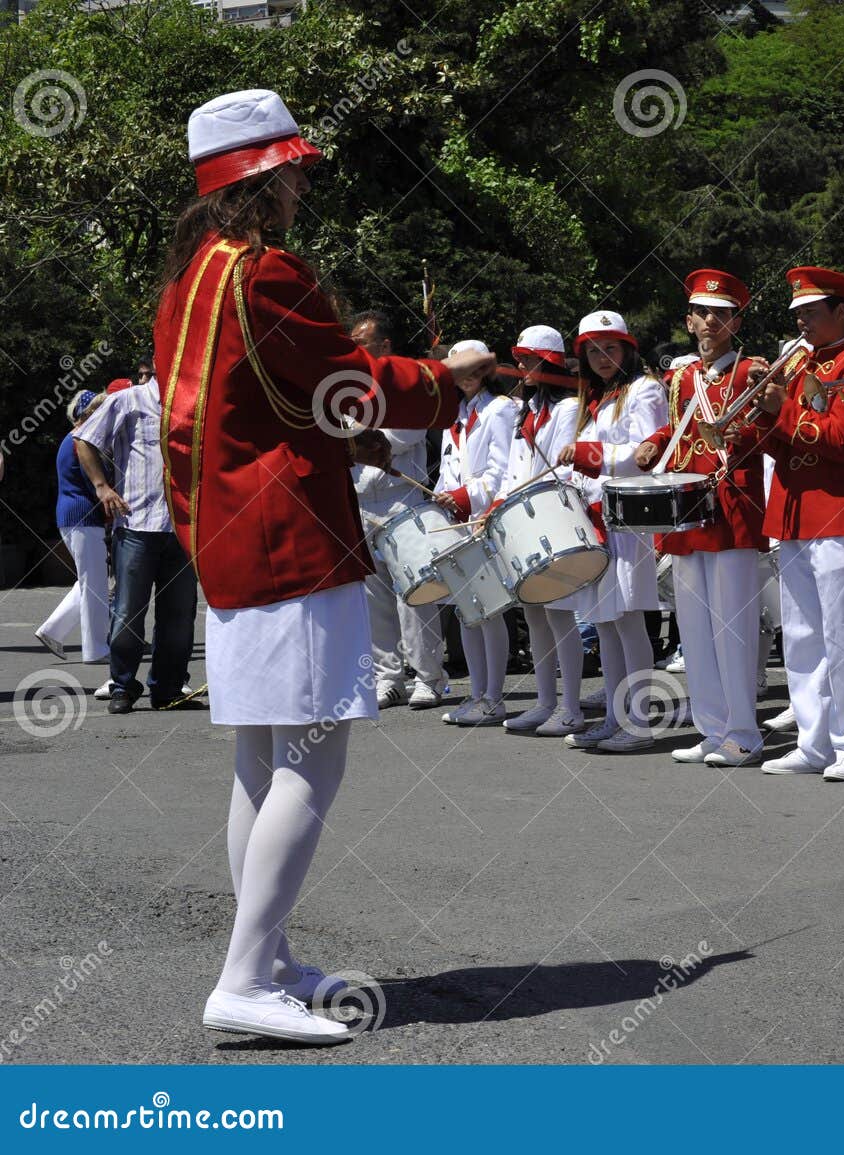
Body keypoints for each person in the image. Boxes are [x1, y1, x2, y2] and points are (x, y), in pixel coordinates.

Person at [156, 87, 489, 1042]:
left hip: (231, 540)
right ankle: (242, 978)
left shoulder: (191, 275)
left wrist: (346, 432)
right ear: (259, 178)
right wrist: (445, 381)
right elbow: (356, 377)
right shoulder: (264, 271)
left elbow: (266, 405)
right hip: (290, 540)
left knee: (260, 760)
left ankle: (268, 958)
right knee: (313, 753)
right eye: (292, 169)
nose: (303, 182)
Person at [749, 267, 844, 781]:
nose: (801, 321)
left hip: (839, 509)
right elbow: (784, 443)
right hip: (794, 508)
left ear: (840, 311)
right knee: (802, 636)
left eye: (810, 311)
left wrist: (782, 410)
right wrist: (764, 415)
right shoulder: (799, 363)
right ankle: (814, 741)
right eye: (797, 313)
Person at [635, 270, 767, 767]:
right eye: (702, 313)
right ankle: (712, 729)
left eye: (722, 313)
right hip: (686, 509)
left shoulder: (751, 371)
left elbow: (762, 432)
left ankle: (744, 732)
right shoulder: (683, 376)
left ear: (736, 320)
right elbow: (679, 424)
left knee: (731, 626)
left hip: (730, 507)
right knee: (694, 629)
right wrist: (654, 441)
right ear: (688, 321)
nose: (711, 321)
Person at [559, 311, 668, 752]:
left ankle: (639, 721)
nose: (602, 357)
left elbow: (646, 452)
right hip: (596, 517)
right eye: (593, 350)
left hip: (629, 517)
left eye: (611, 348)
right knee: (604, 622)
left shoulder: (643, 390)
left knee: (628, 619)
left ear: (627, 349)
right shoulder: (597, 399)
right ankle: (616, 717)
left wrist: (588, 454)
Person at [74, 359, 199, 714]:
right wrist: (101, 487)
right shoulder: (128, 400)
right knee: (128, 613)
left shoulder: (194, 403)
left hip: (183, 528)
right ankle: (123, 686)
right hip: (136, 525)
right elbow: (84, 438)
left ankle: (168, 688)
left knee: (179, 616)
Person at [349, 309, 450, 710]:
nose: (354, 352)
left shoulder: (407, 385)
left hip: (400, 500)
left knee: (415, 593)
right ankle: (387, 677)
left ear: (384, 346)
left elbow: (394, 438)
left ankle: (428, 677)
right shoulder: (349, 389)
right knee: (373, 598)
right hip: (361, 499)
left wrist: (350, 431)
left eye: (362, 344)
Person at [499, 324, 588, 737]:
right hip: (521, 516)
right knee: (533, 613)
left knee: (559, 614)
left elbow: (562, 468)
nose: (519, 364)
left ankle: (570, 707)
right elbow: (514, 468)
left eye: (527, 358)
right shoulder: (528, 409)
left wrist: (520, 495)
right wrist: (499, 503)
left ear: (548, 361)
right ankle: (545, 702)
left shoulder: (568, 408)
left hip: (551, 515)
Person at [433, 337, 517, 726]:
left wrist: (467, 497)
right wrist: (440, 496)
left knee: (489, 609)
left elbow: (502, 470)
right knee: (468, 612)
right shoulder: (456, 413)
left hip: (484, 518)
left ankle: (494, 697)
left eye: (471, 368)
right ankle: (477, 693)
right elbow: (449, 469)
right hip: (458, 522)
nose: (465, 376)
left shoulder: (500, 409)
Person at [36, 391, 111, 664]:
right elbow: (92, 481)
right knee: (95, 585)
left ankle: (52, 630)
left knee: (90, 582)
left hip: (73, 516)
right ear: (88, 413)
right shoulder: (83, 441)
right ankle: (96, 649)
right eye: (100, 410)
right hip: (82, 517)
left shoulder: (72, 438)